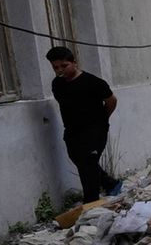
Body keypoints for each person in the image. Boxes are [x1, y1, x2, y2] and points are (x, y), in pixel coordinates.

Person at [45, 46, 121, 204]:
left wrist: (102, 120)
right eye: (56, 67)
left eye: (64, 66)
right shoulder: (57, 84)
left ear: (74, 62)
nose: (60, 70)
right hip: (72, 131)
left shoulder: (93, 82)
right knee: (81, 161)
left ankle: (91, 203)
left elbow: (111, 101)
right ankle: (110, 183)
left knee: (88, 165)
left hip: (95, 130)